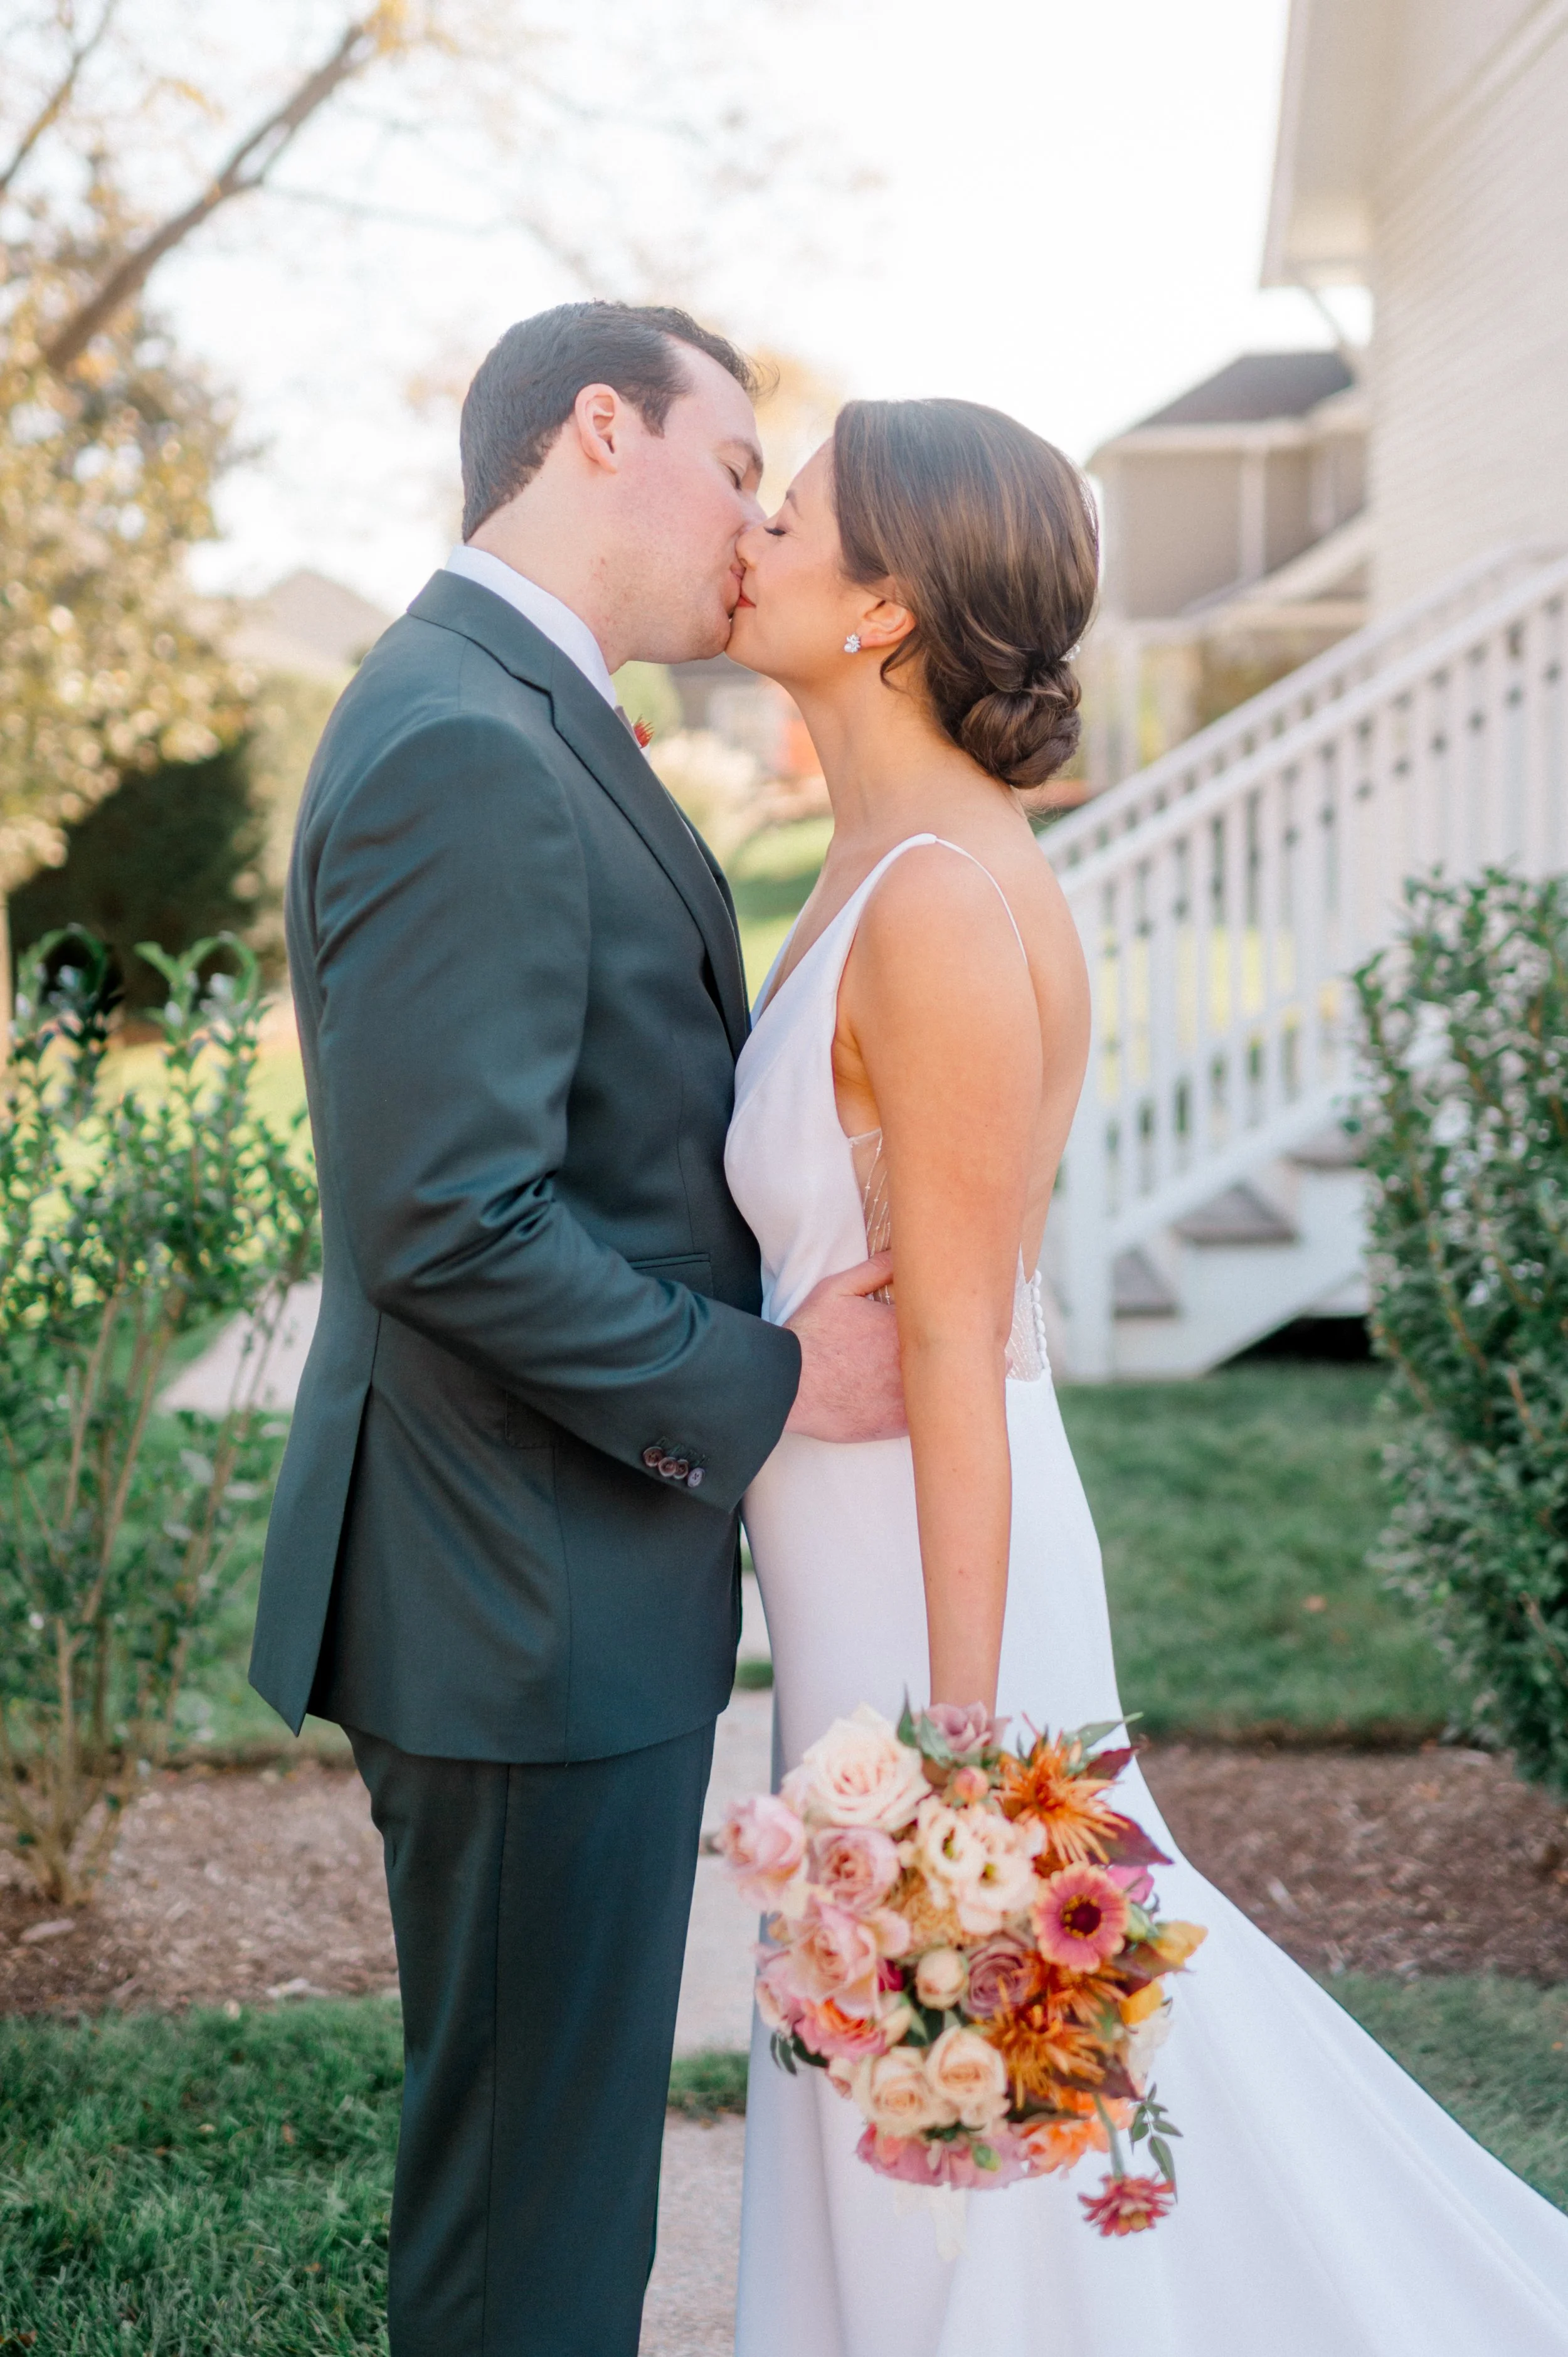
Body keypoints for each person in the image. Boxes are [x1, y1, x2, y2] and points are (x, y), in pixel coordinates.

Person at [723, 396, 1568, 2354]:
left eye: (795, 510)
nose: (752, 531)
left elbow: (949, 1329)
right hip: (863, 1535)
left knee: (987, 2036)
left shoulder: (937, 900)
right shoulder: (879, 855)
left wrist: (960, 1748)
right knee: (929, 2059)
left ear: (884, 609)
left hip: (935, 1569)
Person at [248, 302, 904, 2357]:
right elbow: (449, 1218)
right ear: (597, 429)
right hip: (507, 1593)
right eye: (734, 463)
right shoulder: (466, 734)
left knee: (550, 2178)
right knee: (532, 2214)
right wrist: (773, 1385)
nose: (748, 518)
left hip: (533, 1575)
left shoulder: (516, 706)